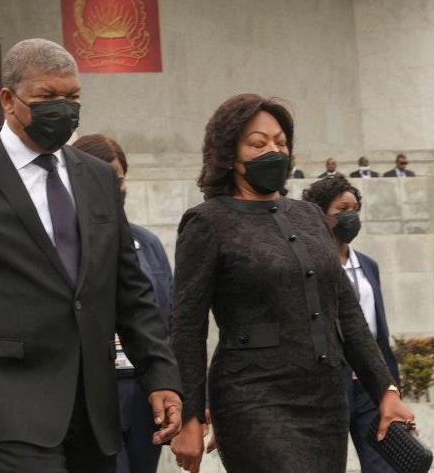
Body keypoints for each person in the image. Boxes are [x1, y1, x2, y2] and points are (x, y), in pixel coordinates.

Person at [0, 38, 183, 473]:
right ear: (8, 99)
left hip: (93, 409)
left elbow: (132, 292)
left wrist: (161, 377)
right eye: (47, 98)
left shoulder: (97, 179)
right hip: (6, 406)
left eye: (72, 97)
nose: (63, 109)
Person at [168, 94, 415, 473]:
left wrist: (386, 390)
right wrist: (189, 415)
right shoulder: (207, 222)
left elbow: (347, 314)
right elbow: (187, 326)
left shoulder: (310, 216)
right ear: (229, 155)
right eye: (258, 143)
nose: (273, 150)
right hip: (253, 400)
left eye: (281, 142)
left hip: (326, 401)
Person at [72, 134, 174, 473]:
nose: (113, 186)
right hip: (93, 392)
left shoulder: (148, 243)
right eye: (103, 178)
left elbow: (168, 321)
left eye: (118, 178)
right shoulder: (65, 246)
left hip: (143, 393)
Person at [302, 176, 401, 473]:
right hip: (329, 385)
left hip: (370, 385)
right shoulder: (307, 268)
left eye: (356, 208)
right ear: (321, 214)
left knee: (383, 466)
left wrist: (391, 387)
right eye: (342, 208)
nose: (351, 216)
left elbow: (378, 332)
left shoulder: (368, 265)